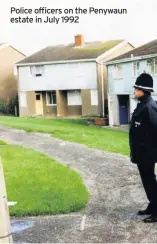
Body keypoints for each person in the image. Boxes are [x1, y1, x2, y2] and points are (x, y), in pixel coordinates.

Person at [129, 72, 157, 223]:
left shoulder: (149, 107)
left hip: (148, 153)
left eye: (136, 88)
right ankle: (152, 206)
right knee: (147, 181)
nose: (134, 91)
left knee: (150, 181)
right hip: (142, 153)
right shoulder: (143, 105)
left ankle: (156, 211)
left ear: (142, 90)